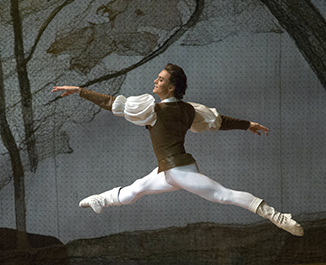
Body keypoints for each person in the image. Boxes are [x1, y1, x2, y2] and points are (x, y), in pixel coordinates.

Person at [52, 63, 303, 236]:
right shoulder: (188, 109)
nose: (155, 81)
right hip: (170, 170)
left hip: (179, 171)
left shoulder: (154, 111)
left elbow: (111, 103)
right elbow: (219, 121)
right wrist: (246, 125)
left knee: (223, 195)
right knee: (135, 190)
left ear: (171, 87)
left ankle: (277, 216)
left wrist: (80, 91)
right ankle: (102, 199)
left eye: (160, 79)